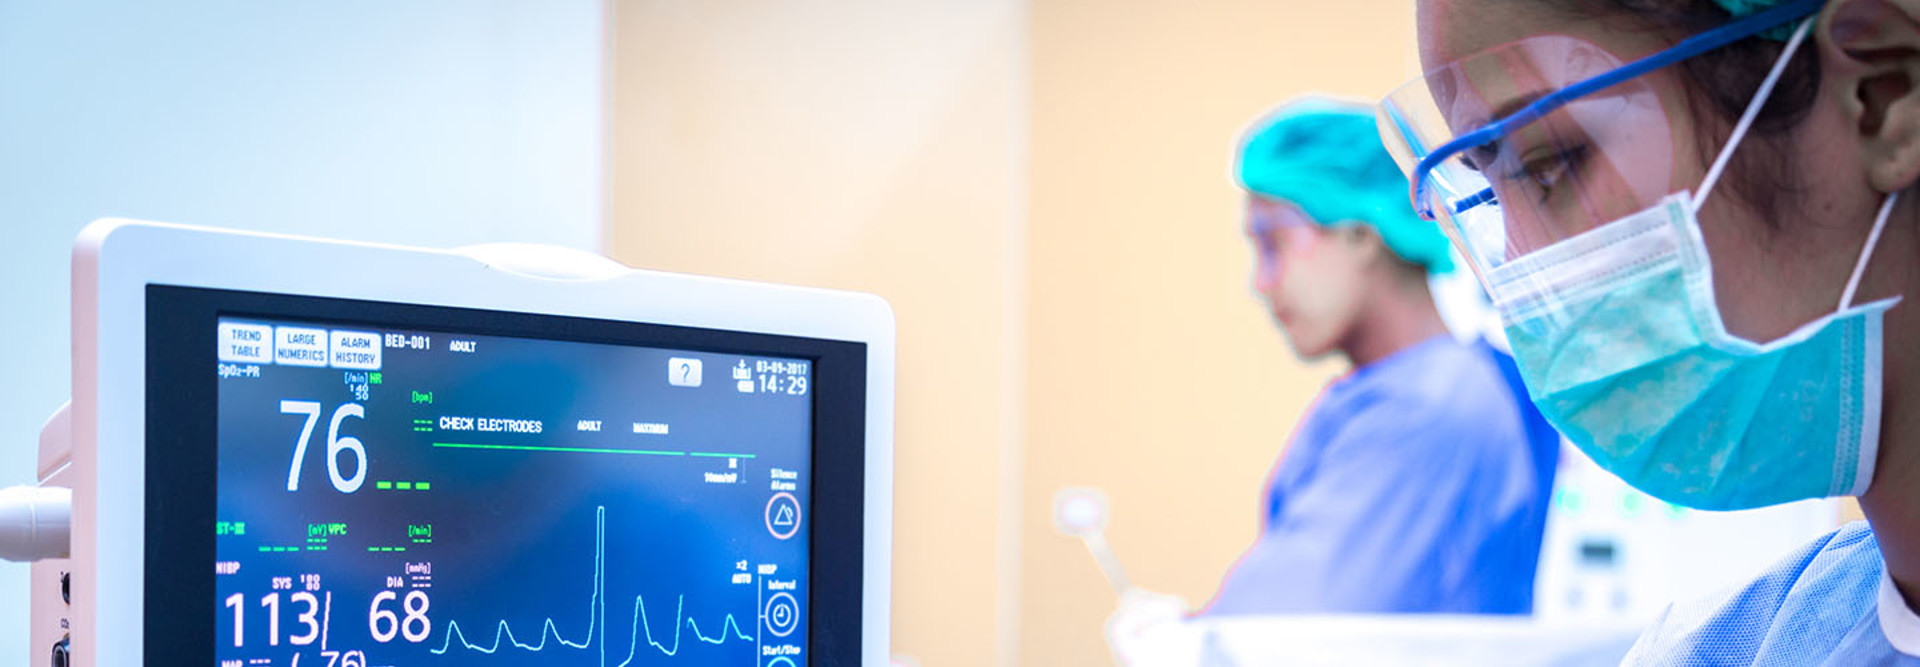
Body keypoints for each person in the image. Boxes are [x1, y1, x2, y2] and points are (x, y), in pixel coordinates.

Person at [1377, 0, 1920, 660]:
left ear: (1882, 97)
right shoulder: (1736, 646)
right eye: (1491, 193)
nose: (1521, 261)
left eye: (1553, 160)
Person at [1108, 97, 1561, 660]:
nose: (1261, 283)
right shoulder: (1408, 389)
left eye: (1273, 243)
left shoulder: (1429, 408)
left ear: (1361, 234)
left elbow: (1285, 638)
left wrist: (1190, 645)